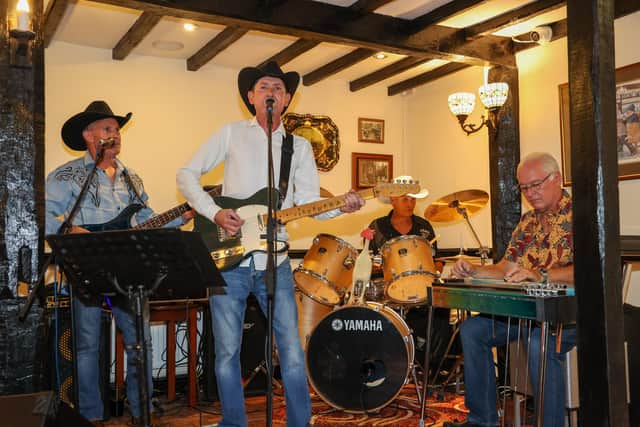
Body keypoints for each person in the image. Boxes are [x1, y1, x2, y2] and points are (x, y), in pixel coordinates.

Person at [176, 61, 365, 427]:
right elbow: (186, 174)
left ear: (288, 98)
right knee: (227, 351)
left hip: (275, 260)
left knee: (292, 351)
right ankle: (233, 422)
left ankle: (299, 422)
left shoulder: (298, 147)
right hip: (228, 259)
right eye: (264, 87)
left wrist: (342, 205)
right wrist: (214, 212)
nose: (271, 93)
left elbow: (309, 204)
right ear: (250, 96)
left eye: (278, 88)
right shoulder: (231, 134)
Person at [45, 100, 193, 426]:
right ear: (88, 135)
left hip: (128, 272)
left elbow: (146, 220)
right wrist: (73, 231)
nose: (115, 135)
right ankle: (91, 416)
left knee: (140, 342)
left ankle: (142, 413)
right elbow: (40, 214)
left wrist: (179, 217)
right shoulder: (68, 175)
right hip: (86, 267)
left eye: (117, 129)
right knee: (86, 346)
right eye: (107, 129)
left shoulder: (132, 178)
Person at [444, 152, 575, 427]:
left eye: (536, 184)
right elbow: (506, 267)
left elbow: (589, 270)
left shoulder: (581, 215)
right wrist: (475, 269)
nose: (531, 193)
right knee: (472, 330)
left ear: (557, 178)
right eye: (525, 187)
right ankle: (482, 420)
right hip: (526, 313)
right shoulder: (527, 222)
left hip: (568, 315)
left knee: (539, 342)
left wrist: (539, 275)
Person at [366, 176, 453, 376]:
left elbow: (436, 260)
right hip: (388, 290)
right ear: (392, 200)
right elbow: (368, 261)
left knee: (441, 308)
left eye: (413, 199)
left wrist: (436, 271)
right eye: (405, 199)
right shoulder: (377, 226)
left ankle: (432, 368)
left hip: (420, 289)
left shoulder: (424, 226)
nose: (411, 203)